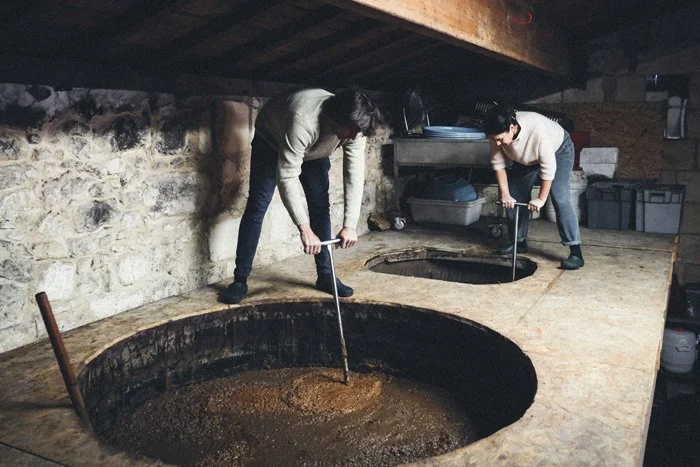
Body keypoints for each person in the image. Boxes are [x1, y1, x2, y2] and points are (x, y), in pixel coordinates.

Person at [220, 88, 385, 304]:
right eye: (352, 131)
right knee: (258, 205)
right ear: (338, 118)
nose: (354, 137)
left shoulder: (357, 127)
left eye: (358, 132)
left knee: (320, 206)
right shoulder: (303, 120)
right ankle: (240, 280)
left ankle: (325, 276)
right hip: (271, 139)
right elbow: (287, 177)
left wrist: (350, 225)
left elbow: (354, 174)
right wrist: (304, 229)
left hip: (314, 149)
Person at [483, 104, 584, 270]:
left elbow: (548, 169)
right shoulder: (497, 133)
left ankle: (576, 252)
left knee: (560, 196)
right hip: (527, 158)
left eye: (501, 139)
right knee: (515, 193)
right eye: (495, 140)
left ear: (512, 128)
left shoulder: (538, 130)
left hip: (558, 150)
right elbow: (499, 165)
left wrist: (541, 199)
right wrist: (505, 194)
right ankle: (519, 242)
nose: (498, 144)